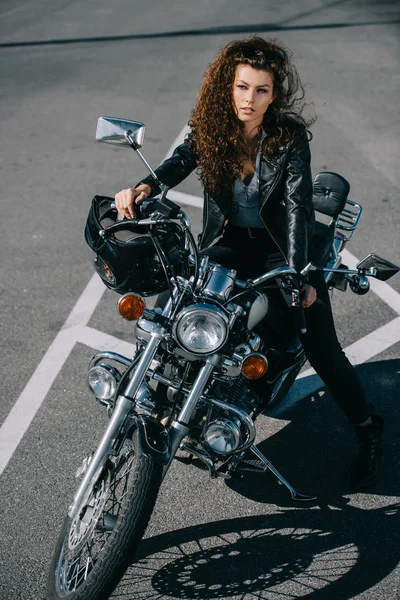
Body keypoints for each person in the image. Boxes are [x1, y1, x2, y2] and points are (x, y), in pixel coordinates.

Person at [115, 36, 383, 490]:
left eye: (260, 90)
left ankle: (367, 429)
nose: (249, 99)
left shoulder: (288, 137)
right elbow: (181, 159)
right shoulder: (211, 125)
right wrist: (144, 187)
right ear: (229, 85)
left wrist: (300, 276)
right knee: (172, 309)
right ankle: (155, 400)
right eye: (242, 87)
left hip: (282, 247)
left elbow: (297, 206)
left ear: (273, 94)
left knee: (321, 345)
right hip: (227, 241)